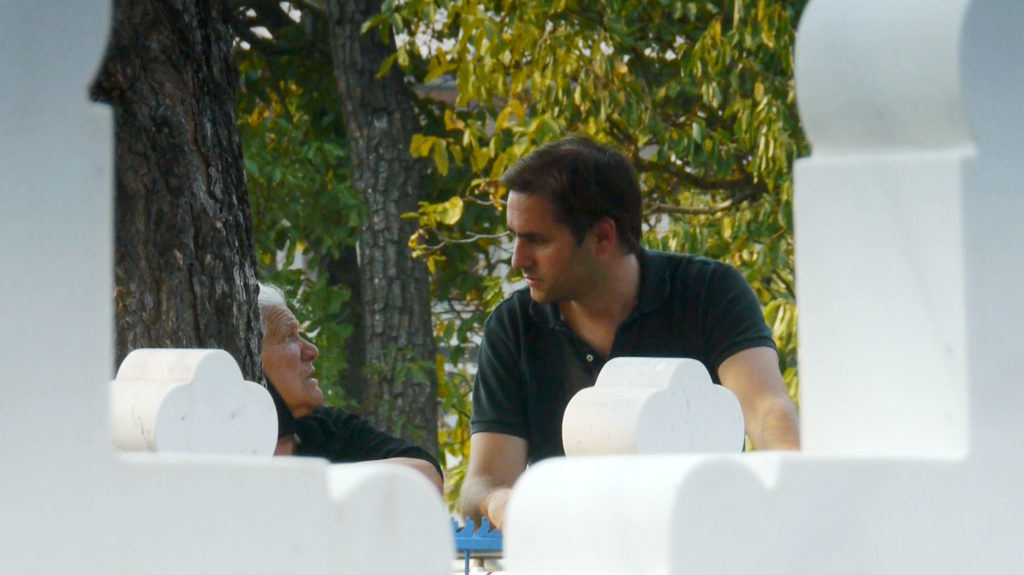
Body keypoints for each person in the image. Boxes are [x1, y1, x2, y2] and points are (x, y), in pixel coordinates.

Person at [461, 136, 800, 529]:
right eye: (514, 237)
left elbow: (765, 408)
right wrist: (497, 500)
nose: (518, 259)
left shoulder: (711, 292)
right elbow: (482, 483)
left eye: (537, 240)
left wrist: (794, 482)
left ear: (603, 237)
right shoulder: (512, 327)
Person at [258, 283, 444, 494]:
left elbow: (424, 477)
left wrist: (302, 483)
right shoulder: (217, 438)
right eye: (289, 337)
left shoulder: (325, 429)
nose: (311, 351)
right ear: (251, 357)